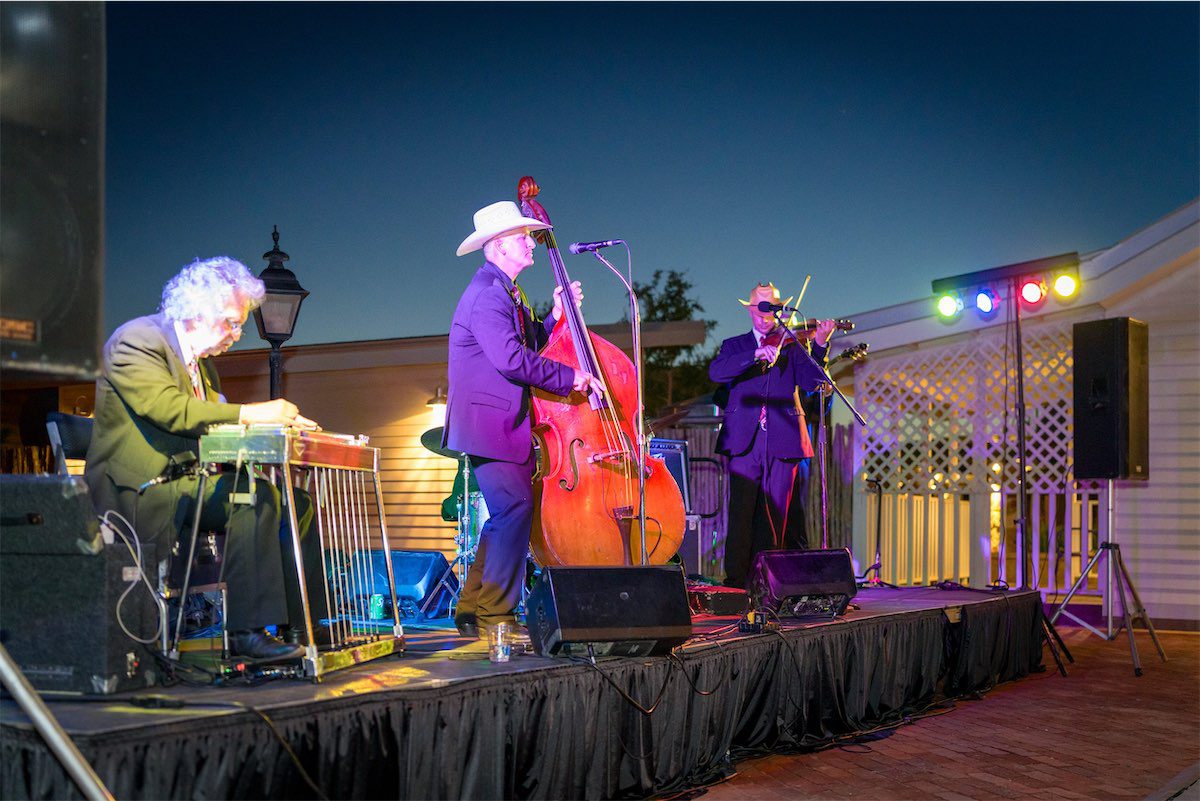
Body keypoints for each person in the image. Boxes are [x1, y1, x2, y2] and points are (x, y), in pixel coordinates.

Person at [85, 256, 322, 661]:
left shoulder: (203, 366)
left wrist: (280, 431)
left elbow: (214, 426)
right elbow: (170, 409)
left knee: (295, 503)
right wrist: (252, 413)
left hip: (186, 482)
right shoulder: (137, 340)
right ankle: (246, 632)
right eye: (231, 322)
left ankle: (305, 626)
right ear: (197, 312)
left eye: (239, 325)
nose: (237, 334)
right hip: (140, 490)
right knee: (253, 496)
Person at [443, 201, 603, 639]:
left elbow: (529, 344)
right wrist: (572, 377)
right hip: (489, 424)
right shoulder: (488, 294)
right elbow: (512, 359)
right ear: (498, 246)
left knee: (507, 513)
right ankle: (496, 615)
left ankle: (473, 607)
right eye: (523, 237)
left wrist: (554, 315)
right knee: (514, 509)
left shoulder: (506, 291)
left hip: (497, 424)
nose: (531, 243)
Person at [709, 283, 836, 589]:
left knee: (777, 515)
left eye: (771, 311)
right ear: (750, 310)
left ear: (779, 311)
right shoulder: (734, 346)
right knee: (741, 513)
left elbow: (811, 382)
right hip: (744, 441)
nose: (765, 317)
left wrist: (820, 344)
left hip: (784, 439)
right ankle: (737, 584)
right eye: (760, 310)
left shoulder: (792, 345)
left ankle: (770, 585)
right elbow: (717, 372)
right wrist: (755, 354)